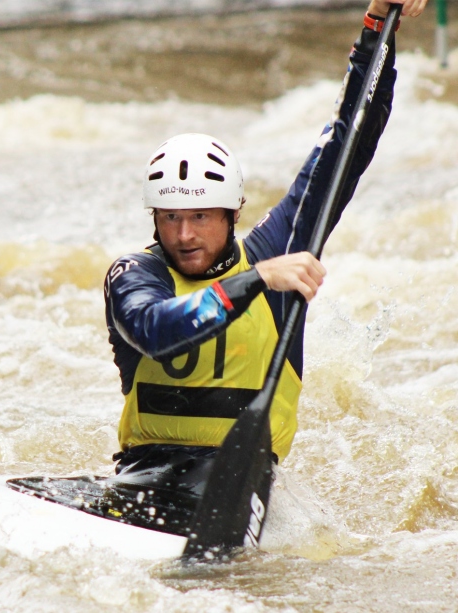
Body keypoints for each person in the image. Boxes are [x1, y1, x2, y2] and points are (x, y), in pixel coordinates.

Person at [103, 0, 426, 496]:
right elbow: (154, 331)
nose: (185, 235)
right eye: (170, 218)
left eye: (201, 217)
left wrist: (378, 26)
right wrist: (256, 281)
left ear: (234, 213)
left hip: (242, 478)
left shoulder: (279, 245)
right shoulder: (134, 276)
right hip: (144, 471)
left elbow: (349, 140)